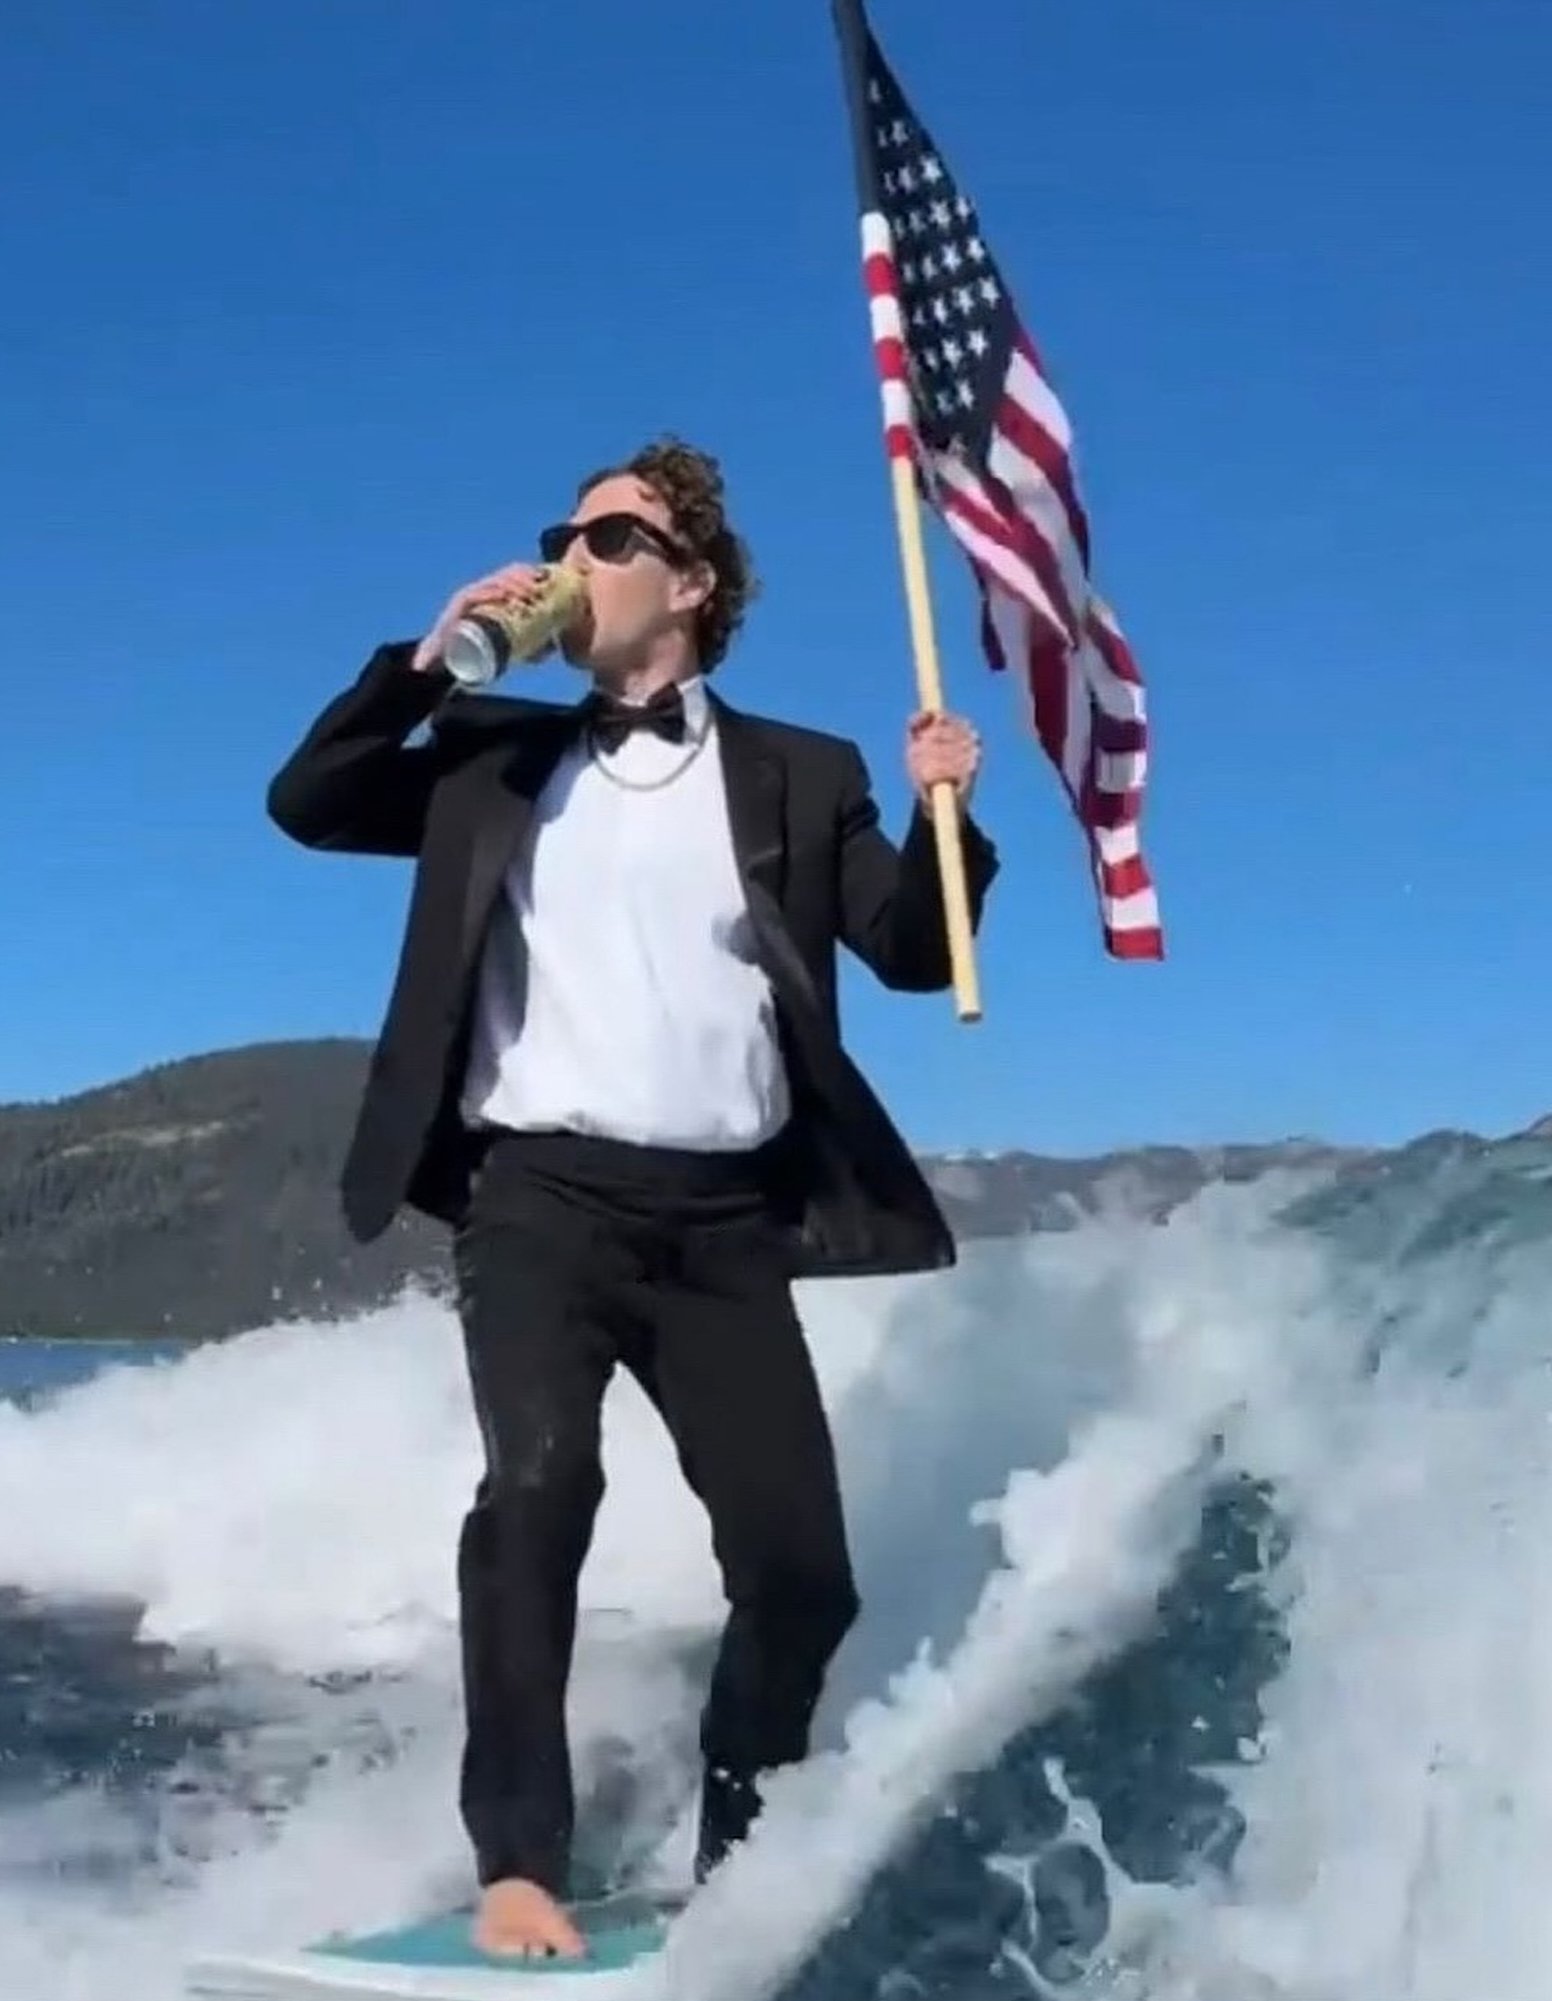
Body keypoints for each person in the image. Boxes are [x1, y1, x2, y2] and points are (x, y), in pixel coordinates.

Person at [265, 437, 996, 1960]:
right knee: (538, 1492)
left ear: (692, 582)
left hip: (726, 1221)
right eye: (564, 533)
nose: (572, 555)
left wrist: (948, 816)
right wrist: (421, 668)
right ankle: (520, 1857)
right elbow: (311, 803)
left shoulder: (804, 771)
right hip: (537, 1194)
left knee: (801, 1572)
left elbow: (915, 951)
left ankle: (744, 1853)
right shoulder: (490, 759)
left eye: (608, 534)